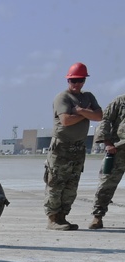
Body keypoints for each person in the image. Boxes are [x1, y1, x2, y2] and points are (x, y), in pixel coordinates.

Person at [44, 63, 102, 231]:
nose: (76, 84)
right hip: (61, 146)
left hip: (78, 147)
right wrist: (86, 114)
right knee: (56, 183)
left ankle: (63, 217)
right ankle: (53, 218)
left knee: (71, 185)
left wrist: (80, 111)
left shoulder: (88, 96)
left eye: (80, 80)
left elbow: (99, 116)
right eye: (73, 80)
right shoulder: (63, 97)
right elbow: (65, 121)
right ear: (68, 80)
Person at [89, 91, 125, 229]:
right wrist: (107, 143)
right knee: (106, 184)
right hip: (118, 149)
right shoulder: (120, 101)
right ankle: (97, 216)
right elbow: (105, 120)